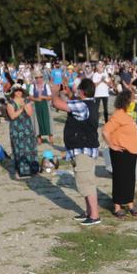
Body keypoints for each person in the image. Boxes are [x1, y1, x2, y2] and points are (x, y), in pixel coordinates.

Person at [51, 79, 103, 227]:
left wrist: (54, 91)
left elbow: (57, 104)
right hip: (83, 149)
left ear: (82, 91)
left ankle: (94, 215)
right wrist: (65, 93)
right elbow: (69, 104)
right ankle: (88, 212)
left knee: (86, 183)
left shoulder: (82, 105)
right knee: (84, 181)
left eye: (78, 89)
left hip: (83, 150)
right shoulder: (89, 103)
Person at [103, 89, 137, 217]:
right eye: (132, 99)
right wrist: (112, 146)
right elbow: (105, 131)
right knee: (119, 178)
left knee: (130, 178)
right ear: (126, 101)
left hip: (131, 151)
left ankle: (130, 203)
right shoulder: (118, 115)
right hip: (121, 151)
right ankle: (117, 206)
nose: (134, 101)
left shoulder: (127, 115)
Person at [5, 86, 39, 178]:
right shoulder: (10, 103)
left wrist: (25, 105)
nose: (19, 92)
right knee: (18, 148)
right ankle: (20, 170)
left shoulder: (26, 101)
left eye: (20, 91)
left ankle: (32, 170)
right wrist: (21, 108)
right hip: (16, 127)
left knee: (30, 147)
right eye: (17, 91)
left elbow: (29, 113)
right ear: (13, 92)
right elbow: (12, 116)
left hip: (27, 126)